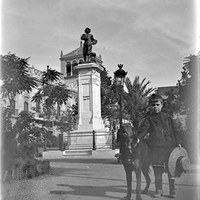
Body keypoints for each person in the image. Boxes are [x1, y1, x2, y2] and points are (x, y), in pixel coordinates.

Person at [137, 93, 181, 198]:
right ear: (150, 106)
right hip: (156, 148)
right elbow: (143, 130)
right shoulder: (149, 119)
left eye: (157, 104)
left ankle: (172, 190)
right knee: (157, 169)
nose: (155, 107)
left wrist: (178, 142)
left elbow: (175, 130)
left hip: (170, 146)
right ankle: (158, 189)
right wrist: (138, 138)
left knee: (171, 169)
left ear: (162, 105)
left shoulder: (168, 117)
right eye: (153, 105)